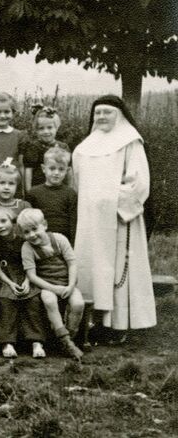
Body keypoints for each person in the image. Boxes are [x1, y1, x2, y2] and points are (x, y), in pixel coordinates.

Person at [72, 95, 156, 339]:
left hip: (119, 218)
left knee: (117, 269)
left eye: (107, 112)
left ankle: (118, 325)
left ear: (119, 116)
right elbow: (78, 184)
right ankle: (92, 322)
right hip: (89, 220)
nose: (101, 117)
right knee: (92, 268)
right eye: (97, 112)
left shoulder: (130, 142)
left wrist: (110, 202)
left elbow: (139, 183)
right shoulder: (83, 148)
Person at [18, 208, 85, 360]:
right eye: (26, 232)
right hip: (46, 285)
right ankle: (65, 341)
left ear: (45, 225)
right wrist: (53, 288)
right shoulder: (27, 248)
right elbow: (32, 276)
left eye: (35, 229)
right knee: (49, 300)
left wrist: (70, 285)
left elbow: (72, 263)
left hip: (67, 283)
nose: (32, 235)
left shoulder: (59, 239)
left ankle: (70, 336)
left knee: (78, 304)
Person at [0, 206, 45, 359]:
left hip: (26, 276)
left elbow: (31, 264)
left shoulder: (24, 242)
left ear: (12, 222)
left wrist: (27, 281)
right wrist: (10, 284)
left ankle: (36, 341)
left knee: (34, 300)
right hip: (5, 279)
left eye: (3, 221)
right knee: (4, 301)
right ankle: (7, 342)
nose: (0, 226)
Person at [26, 147, 77, 244]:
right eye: (52, 168)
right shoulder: (33, 193)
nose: (56, 173)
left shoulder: (70, 194)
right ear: (43, 168)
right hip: (40, 241)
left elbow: (73, 223)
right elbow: (29, 222)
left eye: (61, 169)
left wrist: (72, 244)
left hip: (64, 242)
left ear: (67, 170)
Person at [22, 105, 70, 191]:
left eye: (50, 127)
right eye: (41, 128)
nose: (46, 131)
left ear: (56, 127)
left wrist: (71, 189)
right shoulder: (34, 147)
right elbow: (29, 170)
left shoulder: (63, 147)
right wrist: (29, 191)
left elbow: (69, 170)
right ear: (36, 130)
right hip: (38, 189)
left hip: (59, 189)